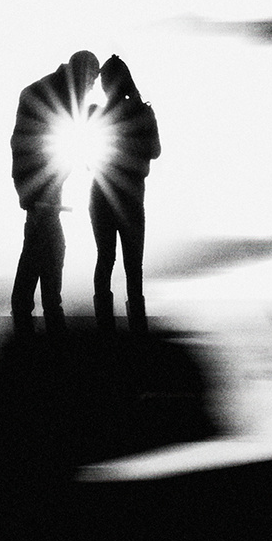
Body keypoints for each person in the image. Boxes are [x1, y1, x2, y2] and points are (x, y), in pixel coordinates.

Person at [10, 50, 98, 336]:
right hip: (40, 192)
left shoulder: (59, 92)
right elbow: (31, 146)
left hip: (43, 190)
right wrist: (34, 195)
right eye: (92, 80)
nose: (92, 87)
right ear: (85, 74)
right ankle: (43, 328)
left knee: (43, 253)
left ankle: (37, 323)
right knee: (45, 254)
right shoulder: (53, 95)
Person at [88, 55, 159, 334]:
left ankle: (107, 328)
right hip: (128, 196)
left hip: (107, 196)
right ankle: (135, 328)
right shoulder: (141, 112)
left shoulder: (100, 114)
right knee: (130, 264)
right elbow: (154, 151)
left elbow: (89, 157)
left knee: (108, 260)